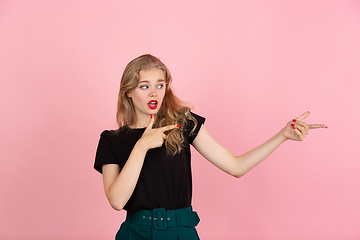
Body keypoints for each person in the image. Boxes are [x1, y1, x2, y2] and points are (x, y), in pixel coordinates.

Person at [94, 54, 327, 240]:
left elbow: (236, 166)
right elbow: (116, 201)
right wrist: (141, 147)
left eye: (160, 85)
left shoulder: (183, 123)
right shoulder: (111, 140)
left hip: (181, 231)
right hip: (136, 233)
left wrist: (282, 135)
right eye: (144, 86)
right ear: (128, 92)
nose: (154, 92)